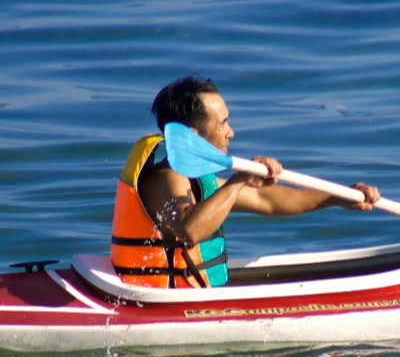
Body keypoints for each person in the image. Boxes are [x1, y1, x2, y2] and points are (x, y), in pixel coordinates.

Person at [111, 75, 380, 289]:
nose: (231, 132)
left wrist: (338, 197)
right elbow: (190, 230)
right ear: (192, 136)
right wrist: (237, 182)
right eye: (223, 123)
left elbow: (268, 200)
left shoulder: (199, 180)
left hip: (197, 296)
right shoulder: (166, 179)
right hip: (159, 304)